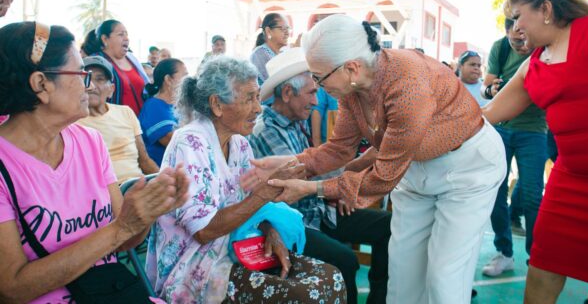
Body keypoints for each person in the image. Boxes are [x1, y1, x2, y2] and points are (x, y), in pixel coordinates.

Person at [244, 15, 507, 303]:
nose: (318, 87)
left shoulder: (407, 86)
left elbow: (382, 177)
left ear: (351, 67)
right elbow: (340, 149)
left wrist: (309, 187)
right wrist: (289, 164)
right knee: (403, 271)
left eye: (319, 77)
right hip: (415, 172)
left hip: (467, 170)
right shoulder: (351, 88)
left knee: (444, 276)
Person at [0, 21, 189, 303]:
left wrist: (145, 213)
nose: (88, 85)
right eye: (81, 74)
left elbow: (124, 241)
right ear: (41, 83)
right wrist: (121, 228)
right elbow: (11, 288)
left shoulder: (90, 141)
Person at [145, 56, 346, 304]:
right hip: (195, 265)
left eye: (258, 96)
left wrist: (269, 230)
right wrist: (266, 191)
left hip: (235, 247)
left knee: (331, 278)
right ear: (217, 104)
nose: (258, 108)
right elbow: (204, 232)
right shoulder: (190, 142)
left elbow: (248, 205)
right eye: (249, 98)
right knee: (303, 294)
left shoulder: (239, 143)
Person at [483, 0, 588, 303]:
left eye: (519, 16)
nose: (515, 27)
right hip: (570, 181)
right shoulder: (533, 62)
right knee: (543, 269)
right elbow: (488, 116)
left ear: (546, 8)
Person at [248, 48, 391, 304]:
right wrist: (355, 169)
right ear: (288, 93)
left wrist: (338, 187)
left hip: (317, 211)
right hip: (294, 224)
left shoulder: (293, 123)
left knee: (388, 227)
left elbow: (316, 169)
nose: (316, 102)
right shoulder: (266, 130)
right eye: (312, 92)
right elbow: (299, 179)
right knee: (345, 260)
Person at [480, 16, 548, 276]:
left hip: (534, 130)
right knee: (496, 190)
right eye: (515, 38)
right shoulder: (500, 47)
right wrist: (494, 90)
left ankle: (536, 257)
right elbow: (487, 86)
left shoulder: (544, 47)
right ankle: (504, 252)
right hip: (501, 127)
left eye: (524, 38)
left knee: (532, 194)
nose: (521, 43)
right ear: (507, 32)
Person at [76, 56, 159, 183]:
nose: (92, 86)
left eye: (100, 79)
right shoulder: (72, 121)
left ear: (111, 90)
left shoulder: (125, 112)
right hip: (104, 192)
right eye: (86, 78)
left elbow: (144, 160)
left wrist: (162, 179)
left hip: (138, 183)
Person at [89, 20, 150, 116]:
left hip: (138, 123)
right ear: (105, 39)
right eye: (121, 34)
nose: (126, 38)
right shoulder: (95, 62)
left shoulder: (132, 59)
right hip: (113, 124)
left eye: (127, 34)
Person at [139, 58, 187, 166]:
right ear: (168, 79)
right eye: (184, 76)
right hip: (162, 173)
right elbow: (173, 141)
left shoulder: (180, 106)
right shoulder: (154, 106)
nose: (188, 81)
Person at [250, 13, 291, 86]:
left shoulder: (283, 53)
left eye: (287, 28)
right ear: (268, 31)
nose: (287, 33)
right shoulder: (259, 54)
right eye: (282, 29)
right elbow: (278, 84)